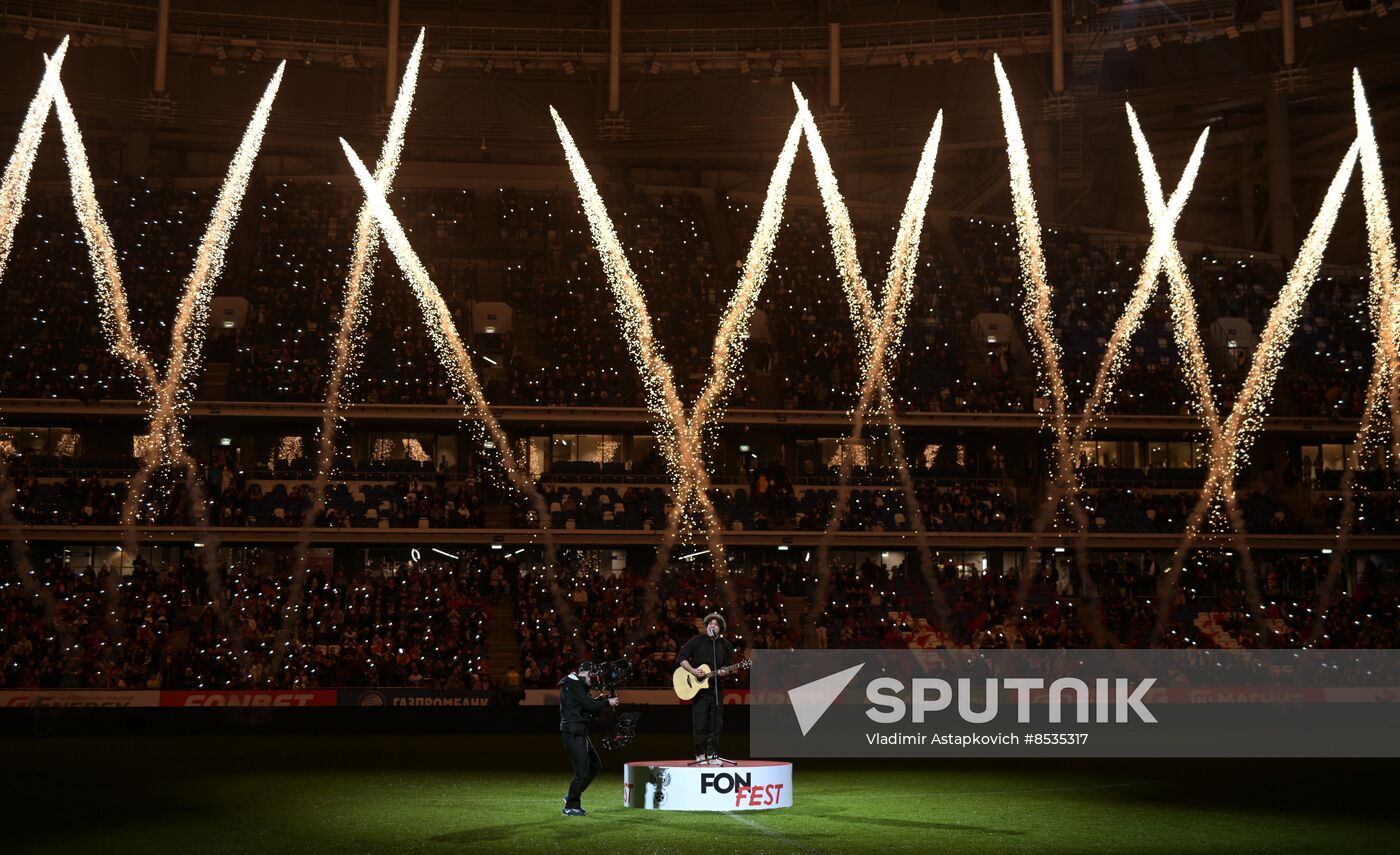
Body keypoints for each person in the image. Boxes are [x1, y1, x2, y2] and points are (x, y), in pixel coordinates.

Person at [559, 661, 617, 816]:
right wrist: (606, 702)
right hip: (573, 731)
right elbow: (589, 707)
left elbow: (586, 707)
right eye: (593, 675)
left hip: (579, 731)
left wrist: (600, 700)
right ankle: (571, 806)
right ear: (585, 673)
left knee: (595, 766)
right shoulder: (574, 684)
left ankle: (572, 795)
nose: (595, 679)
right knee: (582, 771)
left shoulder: (576, 684)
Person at [677, 613, 735, 765]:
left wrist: (725, 671)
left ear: (720, 628)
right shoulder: (697, 641)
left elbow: (729, 666)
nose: (712, 626)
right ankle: (700, 754)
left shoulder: (725, 645)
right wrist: (694, 671)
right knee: (700, 723)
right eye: (710, 623)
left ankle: (713, 754)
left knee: (716, 723)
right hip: (699, 692)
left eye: (715, 624)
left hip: (716, 689)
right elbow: (681, 658)